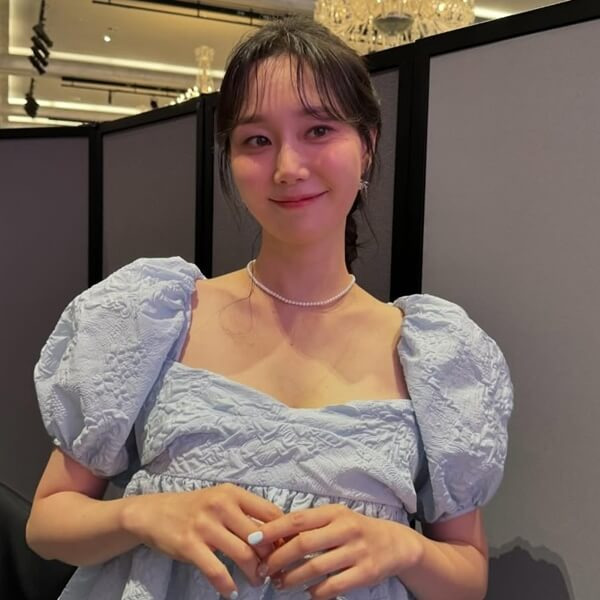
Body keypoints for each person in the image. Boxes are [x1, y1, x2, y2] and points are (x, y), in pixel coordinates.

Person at [25, 14, 513, 600]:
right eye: (256, 140)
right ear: (229, 157)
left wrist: (404, 547)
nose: (287, 168)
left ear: (367, 145)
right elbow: (48, 522)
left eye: (318, 130)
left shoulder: (434, 357)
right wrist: (141, 515)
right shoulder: (156, 320)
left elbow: (467, 575)